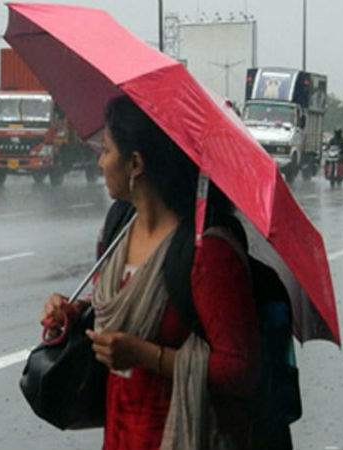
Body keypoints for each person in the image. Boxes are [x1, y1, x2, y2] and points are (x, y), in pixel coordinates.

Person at [40, 96, 261, 449]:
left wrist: (146, 356)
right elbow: (120, 306)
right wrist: (76, 311)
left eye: (107, 151)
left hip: (183, 436)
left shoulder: (207, 250)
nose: (100, 163)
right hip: (120, 434)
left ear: (136, 163)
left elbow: (239, 370)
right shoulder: (119, 228)